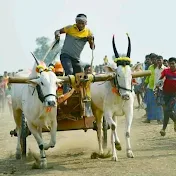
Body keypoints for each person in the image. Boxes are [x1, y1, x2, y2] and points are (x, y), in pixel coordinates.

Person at [54, 13, 95, 94]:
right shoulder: (70, 28)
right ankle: (65, 93)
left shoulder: (88, 32)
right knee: (69, 71)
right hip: (65, 55)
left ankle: (80, 94)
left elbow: (92, 47)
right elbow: (58, 31)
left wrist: (90, 40)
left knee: (81, 75)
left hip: (76, 59)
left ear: (85, 23)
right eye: (78, 22)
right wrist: (57, 34)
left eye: (82, 23)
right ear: (76, 22)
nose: (80, 24)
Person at [157, 57, 176, 136]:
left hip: (174, 95)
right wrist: (159, 83)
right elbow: (161, 79)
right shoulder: (166, 71)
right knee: (166, 112)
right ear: (168, 64)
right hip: (165, 94)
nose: (171, 65)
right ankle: (163, 129)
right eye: (170, 64)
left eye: (173, 64)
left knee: (168, 109)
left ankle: (164, 128)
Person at [144, 53, 163, 124]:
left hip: (159, 89)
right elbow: (147, 78)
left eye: (155, 59)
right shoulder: (150, 67)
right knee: (149, 104)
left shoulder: (161, 68)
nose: (154, 60)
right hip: (150, 88)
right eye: (152, 59)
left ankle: (159, 119)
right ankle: (148, 119)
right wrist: (144, 85)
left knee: (158, 104)